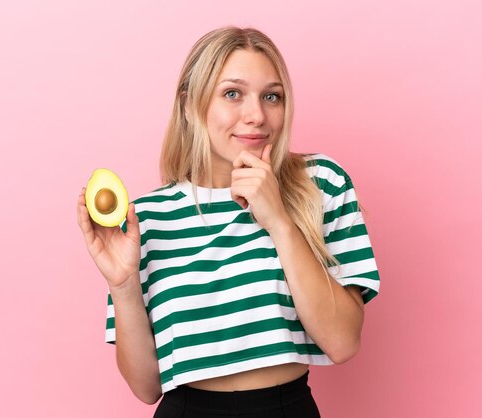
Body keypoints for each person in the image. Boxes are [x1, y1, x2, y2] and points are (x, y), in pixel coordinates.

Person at [77, 26, 380, 418]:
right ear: (189, 104)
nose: (256, 116)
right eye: (232, 94)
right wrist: (123, 285)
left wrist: (279, 221)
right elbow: (146, 386)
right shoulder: (145, 218)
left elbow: (343, 343)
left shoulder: (320, 183)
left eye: (271, 96)